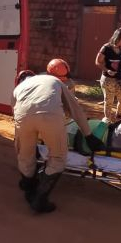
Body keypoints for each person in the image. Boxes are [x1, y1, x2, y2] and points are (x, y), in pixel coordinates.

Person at [12, 69, 105, 214]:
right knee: (58, 157)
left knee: (26, 155)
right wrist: (88, 136)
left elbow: (17, 118)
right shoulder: (53, 80)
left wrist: (24, 144)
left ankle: (29, 186)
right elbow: (75, 110)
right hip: (49, 116)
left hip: (23, 118)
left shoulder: (17, 89)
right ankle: (40, 199)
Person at [95, 27, 121, 123]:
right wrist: (107, 70)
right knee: (109, 101)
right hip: (108, 79)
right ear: (116, 38)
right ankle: (107, 121)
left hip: (119, 79)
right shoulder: (106, 48)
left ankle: (118, 115)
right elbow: (98, 62)